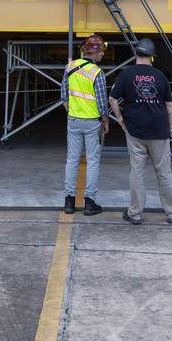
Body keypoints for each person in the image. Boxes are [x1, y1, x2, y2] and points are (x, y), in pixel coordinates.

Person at [109, 38, 172, 225]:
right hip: (159, 130)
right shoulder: (160, 76)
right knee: (164, 172)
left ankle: (135, 213)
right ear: (152, 57)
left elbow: (112, 99)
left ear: (136, 54)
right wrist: (171, 127)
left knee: (137, 171)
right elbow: (169, 106)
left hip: (135, 130)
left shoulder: (126, 75)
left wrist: (119, 118)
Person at [61, 34, 109, 215]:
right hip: (92, 123)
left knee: (72, 160)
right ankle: (89, 203)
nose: (103, 54)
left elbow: (64, 96)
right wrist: (105, 121)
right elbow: (102, 103)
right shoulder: (97, 73)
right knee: (93, 161)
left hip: (73, 120)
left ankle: (69, 202)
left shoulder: (70, 67)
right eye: (101, 51)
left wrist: (73, 112)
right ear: (94, 53)